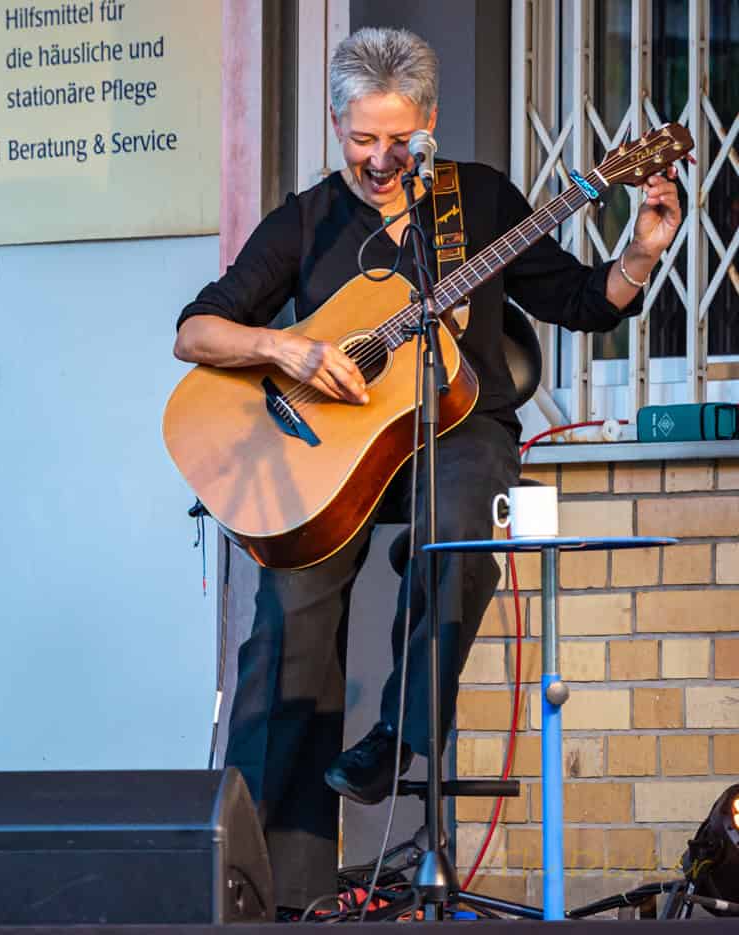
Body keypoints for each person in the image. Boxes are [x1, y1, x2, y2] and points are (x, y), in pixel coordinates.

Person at [174, 27, 679, 911]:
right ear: (338, 126)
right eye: (362, 139)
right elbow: (197, 329)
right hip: (331, 446)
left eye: (399, 139)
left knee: (460, 528)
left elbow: (579, 301)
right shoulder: (308, 220)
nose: (380, 160)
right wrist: (288, 350)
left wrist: (639, 251)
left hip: (458, 428)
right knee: (288, 624)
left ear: (431, 121)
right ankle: (272, 890)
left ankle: (396, 733)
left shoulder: (477, 200)